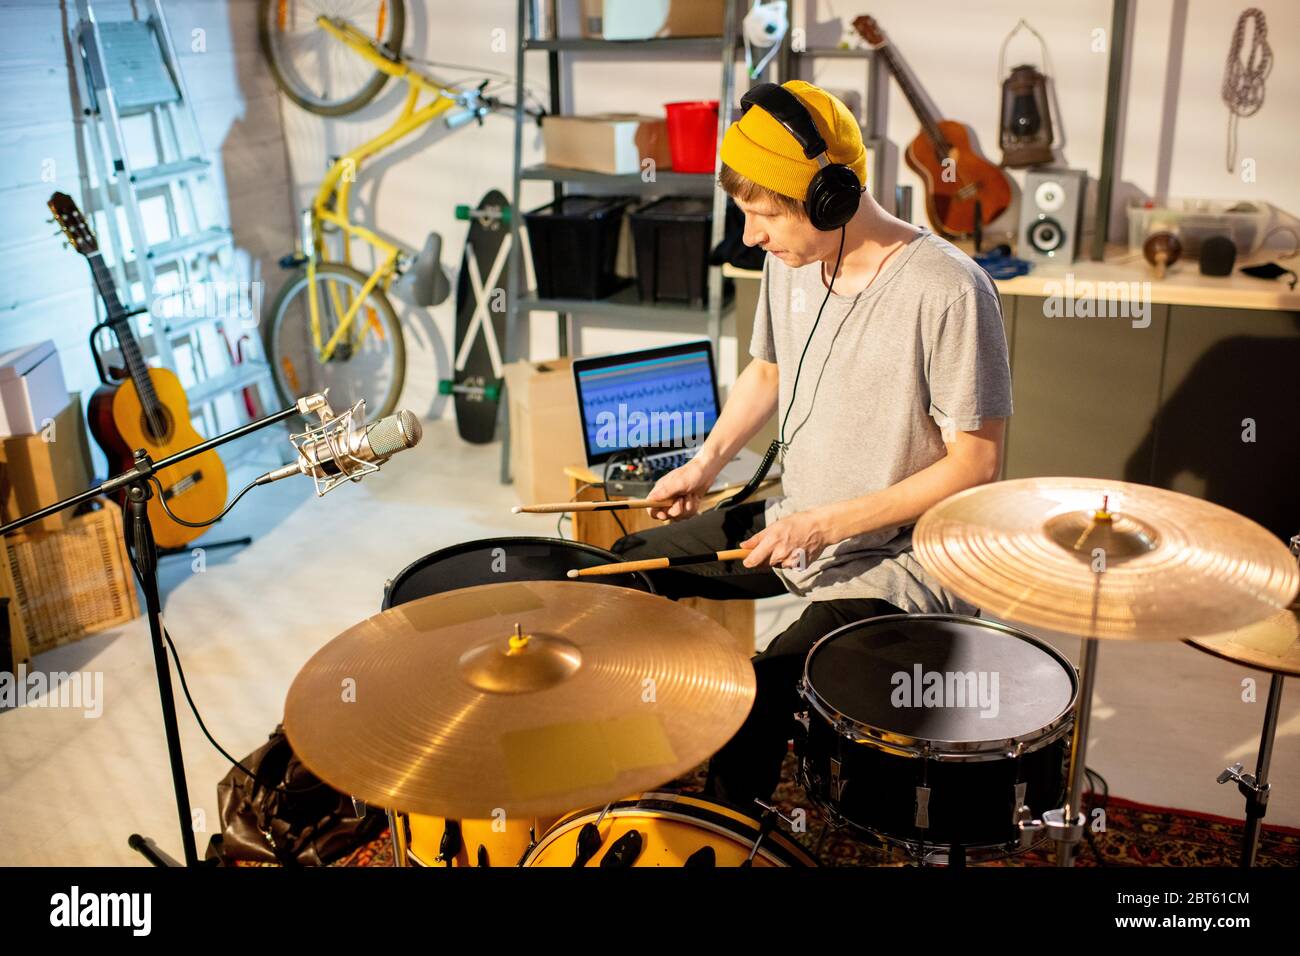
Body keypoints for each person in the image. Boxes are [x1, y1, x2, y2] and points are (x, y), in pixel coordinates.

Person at [610, 81, 1013, 809]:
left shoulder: (951, 291)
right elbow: (766, 369)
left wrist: (823, 524)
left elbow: (976, 464)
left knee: (762, 692)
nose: (752, 235)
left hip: (897, 563)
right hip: (800, 521)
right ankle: (619, 769)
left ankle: (727, 840)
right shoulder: (789, 262)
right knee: (620, 571)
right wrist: (703, 465)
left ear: (828, 199)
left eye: (762, 214)